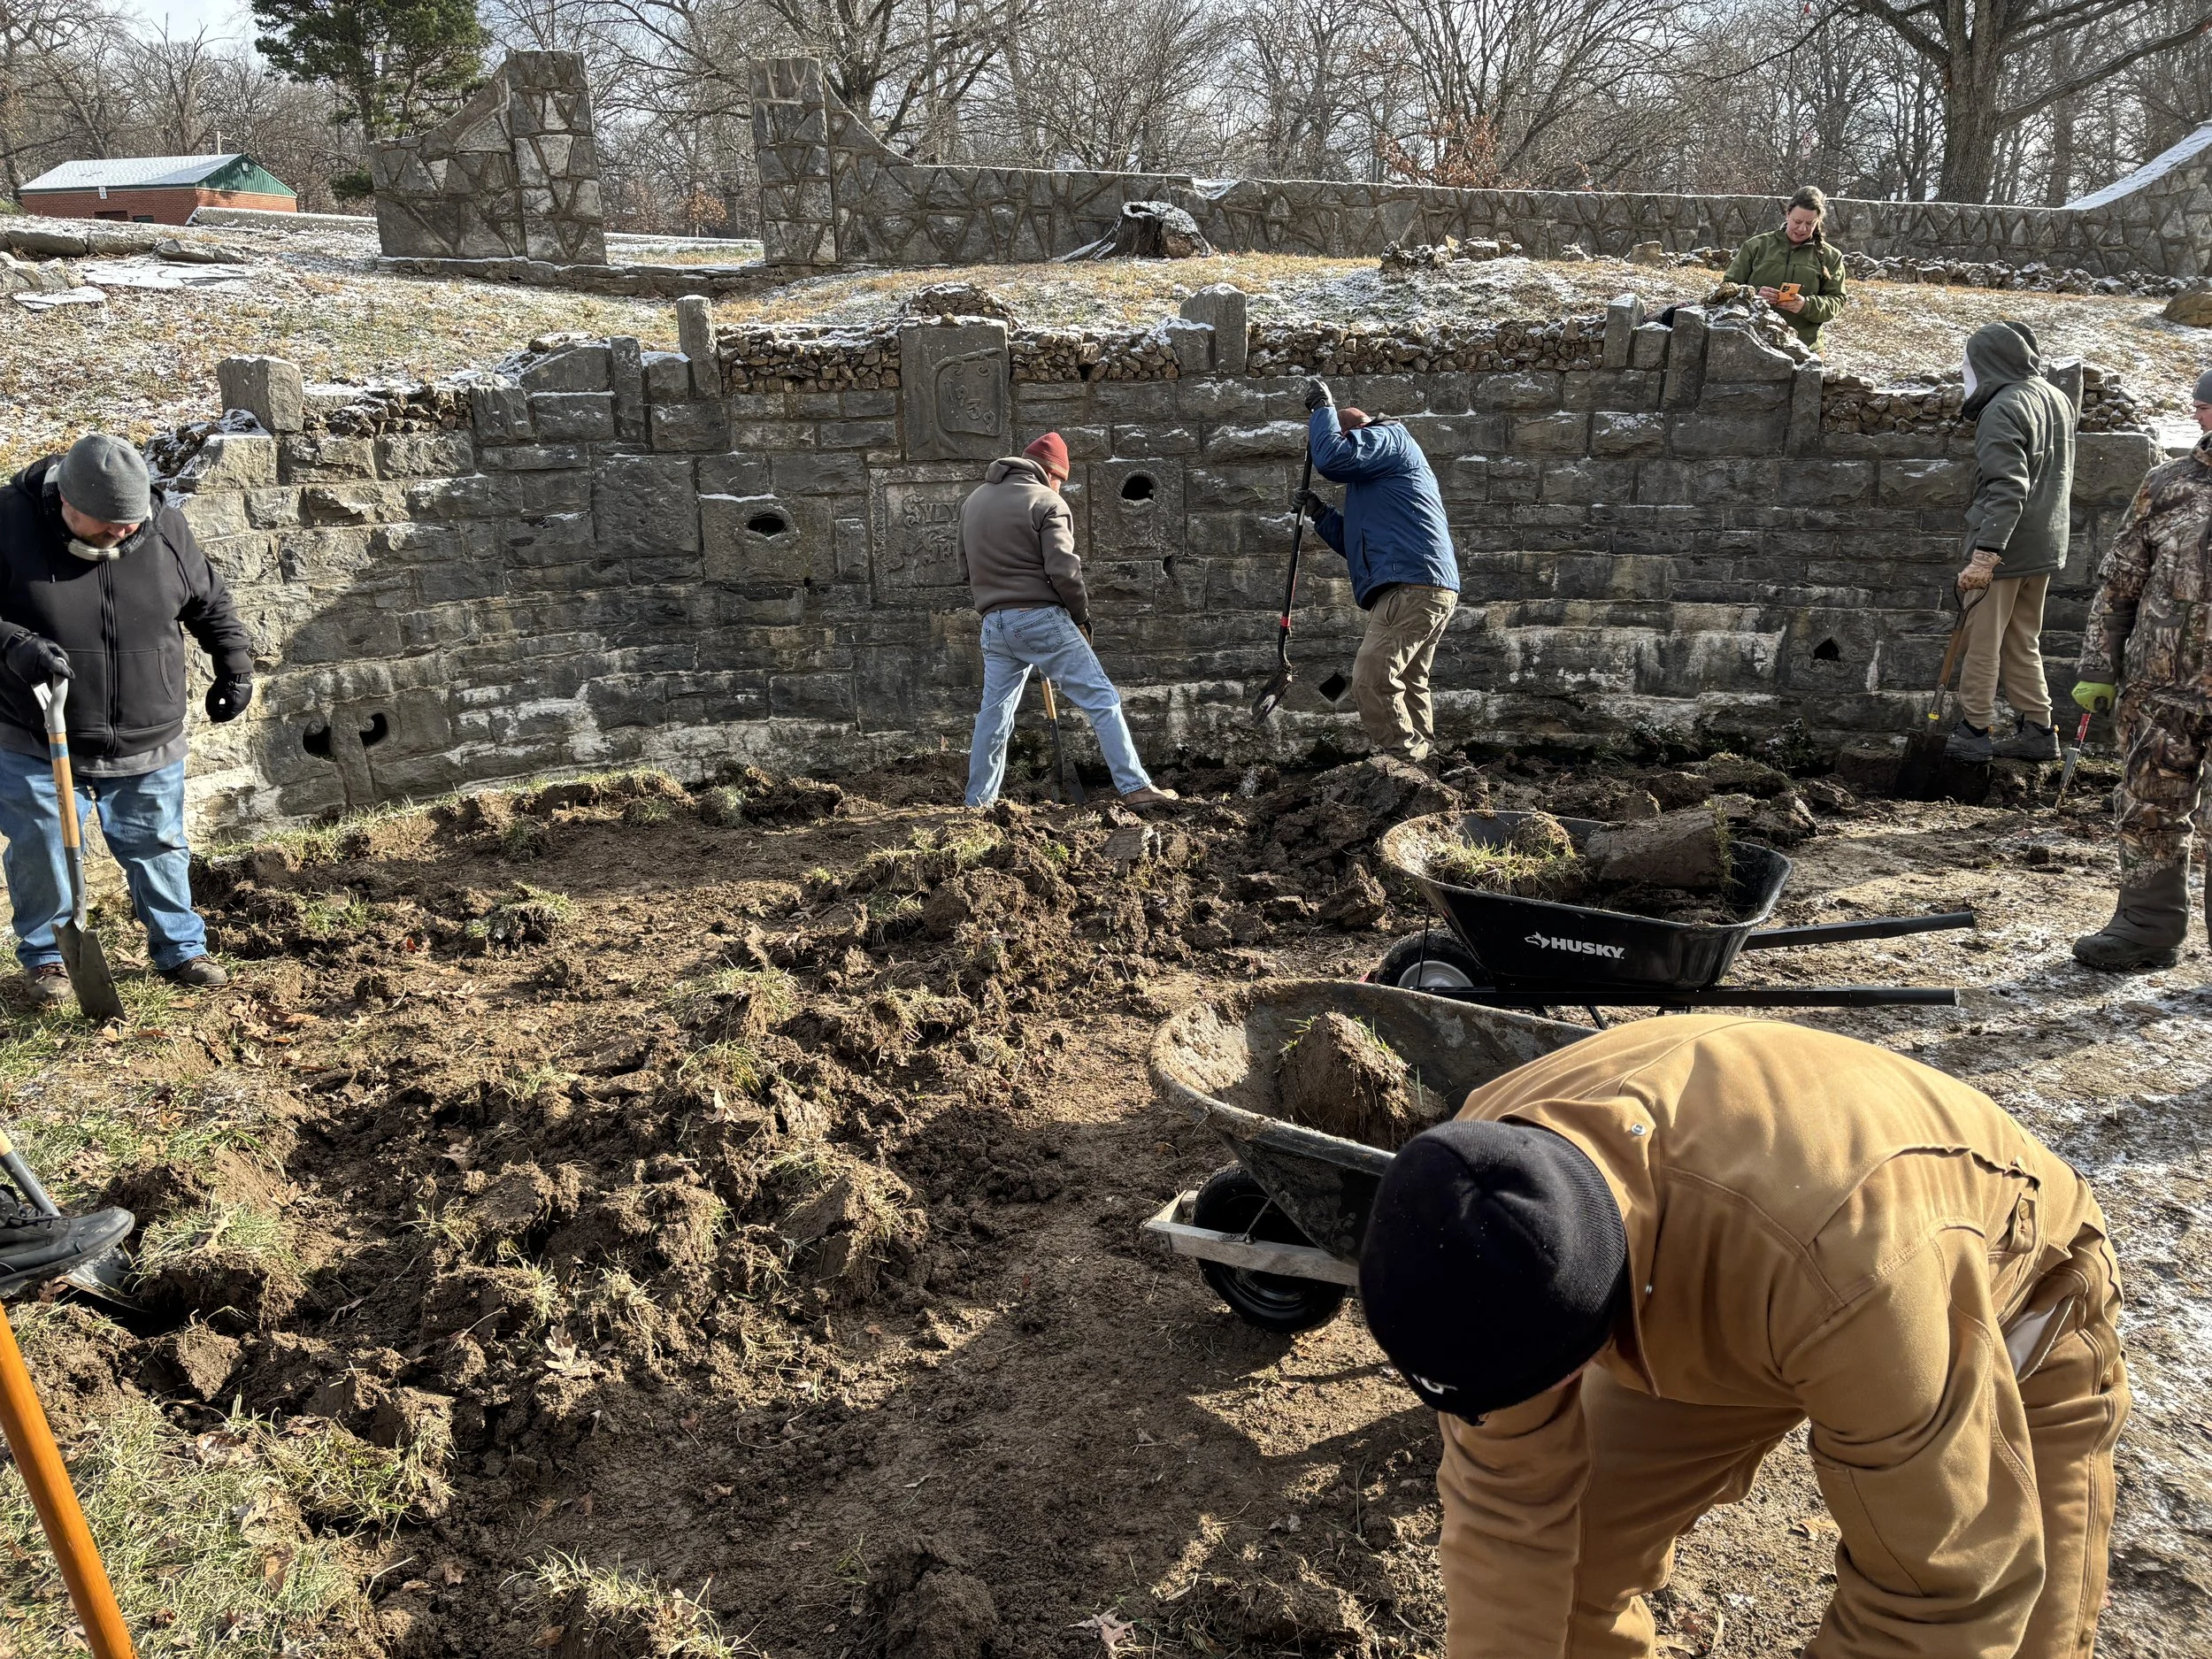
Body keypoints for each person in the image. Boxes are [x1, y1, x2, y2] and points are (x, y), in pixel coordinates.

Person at [1359, 1016, 2128, 1659]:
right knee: (1572, 1581)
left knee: (2014, 1624)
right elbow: (1505, 1512)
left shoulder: (1853, 1275)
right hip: (1723, 1276)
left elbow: (1936, 1603)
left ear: (1588, 1343)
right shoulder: (1480, 1195)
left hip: (2003, 1280)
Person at [0, 434, 255, 1006]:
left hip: (146, 732)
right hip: (36, 729)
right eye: (108, 523)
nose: (123, 533)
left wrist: (234, 665)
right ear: (65, 501)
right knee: (41, 844)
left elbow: (210, 601)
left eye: (131, 522)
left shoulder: (160, 527)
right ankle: (49, 959)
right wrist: (14, 646)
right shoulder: (9, 520)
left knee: (159, 843)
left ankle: (181, 948)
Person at [2068, 369, 2212, 972]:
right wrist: (2099, 665)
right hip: (2159, 693)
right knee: (2148, 808)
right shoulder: (2167, 485)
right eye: (2203, 408)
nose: (2203, 418)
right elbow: (2119, 580)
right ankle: (2145, 928)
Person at [957, 432, 1175, 810]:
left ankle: (978, 803)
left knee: (994, 715)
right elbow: (1064, 570)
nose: (1061, 487)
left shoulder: (973, 502)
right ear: (1052, 472)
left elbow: (965, 570)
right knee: (1102, 699)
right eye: (1062, 480)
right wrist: (1080, 617)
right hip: (1040, 617)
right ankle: (1135, 786)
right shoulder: (1046, 500)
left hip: (994, 624)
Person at [1298, 378, 1461, 765]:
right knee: (1407, 681)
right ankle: (1425, 763)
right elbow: (1357, 547)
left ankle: (1404, 761)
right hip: (1426, 584)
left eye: (1342, 436)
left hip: (1413, 584)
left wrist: (1321, 410)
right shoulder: (1377, 480)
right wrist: (1320, 513)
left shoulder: (1388, 437)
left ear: (1355, 431)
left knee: (1371, 678)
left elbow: (1331, 458)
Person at [1945, 319, 2076, 764]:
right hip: (2044, 545)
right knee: (2023, 638)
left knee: (1981, 641)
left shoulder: (2003, 408)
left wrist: (1985, 555)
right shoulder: (2055, 397)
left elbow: (2007, 487)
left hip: (2005, 548)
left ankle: (1973, 730)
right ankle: (2039, 729)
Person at [1720, 185, 1848, 350]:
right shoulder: (1756, 246)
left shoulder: (1830, 257)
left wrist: (1807, 305)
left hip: (1805, 349)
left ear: (1818, 221)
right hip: (1752, 343)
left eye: (1810, 223)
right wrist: (1754, 294)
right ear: (1788, 214)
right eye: (1797, 221)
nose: (1802, 228)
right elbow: (1727, 289)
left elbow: (1836, 300)